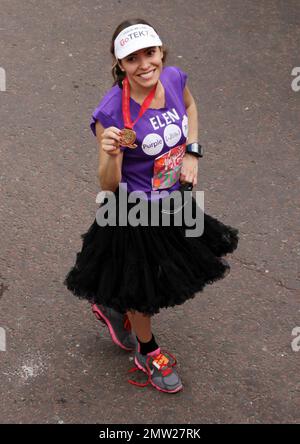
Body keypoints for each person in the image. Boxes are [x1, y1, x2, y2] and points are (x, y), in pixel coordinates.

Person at [64, 19, 239, 394]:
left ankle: (113, 307)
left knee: (154, 276)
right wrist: (109, 152)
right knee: (145, 286)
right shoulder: (113, 112)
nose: (145, 64)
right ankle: (148, 350)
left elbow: (191, 108)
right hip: (135, 211)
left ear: (161, 52)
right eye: (133, 59)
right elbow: (108, 184)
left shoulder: (174, 78)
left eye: (150, 53)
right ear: (120, 64)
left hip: (175, 200)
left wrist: (193, 153)